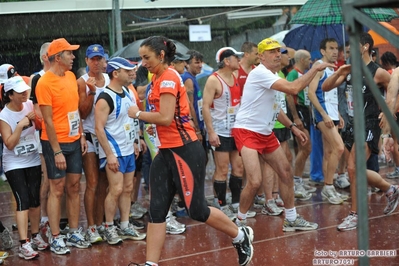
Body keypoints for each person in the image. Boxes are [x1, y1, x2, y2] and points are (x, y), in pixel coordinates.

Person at [128, 36, 254, 266]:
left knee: (196, 210)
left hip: (184, 150)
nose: (142, 62)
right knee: (156, 210)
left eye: (146, 57)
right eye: (141, 58)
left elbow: (165, 118)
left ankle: (240, 235)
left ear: (161, 56)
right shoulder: (156, 78)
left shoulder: (168, 77)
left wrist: (137, 113)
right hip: (166, 152)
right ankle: (150, 264)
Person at [232, 37, 333, 231]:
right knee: (255, 181)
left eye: (279, 51)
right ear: (260, 56)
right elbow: (294, 88)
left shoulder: (274, 73)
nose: (278, 54)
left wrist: (292, 127)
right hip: (246, 130)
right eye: (272, 52)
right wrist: (314, 69)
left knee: (286, 172)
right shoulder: (260, 73)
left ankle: (291, 218)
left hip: (265, 132)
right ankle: (240, 222)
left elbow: (275, 107)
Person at [322, 32, 398, 231]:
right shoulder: (349, 70)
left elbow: (395, 90)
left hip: (370, 124)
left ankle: (355, 215)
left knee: (353, 167)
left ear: (364, 47)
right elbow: (325, 87)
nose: (347, 53)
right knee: (355, 171)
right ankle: (390, 189)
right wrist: (340, 73)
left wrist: (388, 112)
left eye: (351, 48)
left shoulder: (377, 72)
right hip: (351, 125)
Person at [36, 38, 91, 254]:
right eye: (69, 53)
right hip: (54, 143)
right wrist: (57, 150)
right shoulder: (44, 83)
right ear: (58, 57)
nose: (73, 57)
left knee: (75, 186)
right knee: (56, 189)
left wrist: (82, 135)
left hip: (75, 140)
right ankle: (56, 235)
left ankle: (74, 231)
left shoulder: (71, 77)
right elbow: (47, 121)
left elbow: (74, 110)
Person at [95, 57, 146, 245]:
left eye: (133, 70)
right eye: (128, 70)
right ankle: (109, 227)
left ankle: (124, 225)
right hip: (113, 150)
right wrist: (109, 154)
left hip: (127, 148)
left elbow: (129, 119)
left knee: (128, 188)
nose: (133, 73)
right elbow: (99, 128)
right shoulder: (104, 97)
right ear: (115, 73)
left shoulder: (127, 91)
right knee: (115, 189)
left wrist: (135, 140)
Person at [0, 76, 49, 259]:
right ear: (10, 95)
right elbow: (9, 143)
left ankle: (35, 235)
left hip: (32, 158)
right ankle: (24, 243)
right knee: (23, 200)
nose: (24, 94)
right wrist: (20, 125)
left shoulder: (29, 105)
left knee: (35, 200)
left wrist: (36, 119)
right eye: (20, 92)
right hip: (14, 162)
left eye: (25, 91)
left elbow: (40, 124)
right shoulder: (4, 116)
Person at [202, 47, 246, 219]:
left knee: (239, 167)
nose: (239, 60)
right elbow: (205, 106)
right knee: (221, 169)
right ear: (227, 61)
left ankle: (236, 201)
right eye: (236, 57)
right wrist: (211, 132)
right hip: (220, 130)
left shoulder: (234, 77)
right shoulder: (213, 80)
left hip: (236, 129)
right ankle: (220, 202)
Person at [308, 38, 346, 205]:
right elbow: (311, 93)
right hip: (323, 114)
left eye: (336, 48)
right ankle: (329, 187)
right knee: (339, 147)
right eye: (331, 48)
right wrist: (324, 115)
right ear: (322, 51)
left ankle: (328, 188)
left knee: (329, 152)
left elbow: (330, 95)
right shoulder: (319, 67)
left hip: (332, 113)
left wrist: (338, 114)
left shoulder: (332, 69)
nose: (335, 51)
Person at [77, 44, 109, 243]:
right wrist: (90, 92)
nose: (96, 62)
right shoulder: (82, 82)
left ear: (104, 60)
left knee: (105, 184)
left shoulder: (109, 79)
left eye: (99, 58)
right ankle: (90, 226)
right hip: (89, 135)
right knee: (93, 183)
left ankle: (101, 224)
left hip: (107, 135)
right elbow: (82, 113)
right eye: (92, 59)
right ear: (87, 61)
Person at [286, 50, 319, 192]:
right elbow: (288, 94)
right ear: (302, 60)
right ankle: (295, 181)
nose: (310, 62)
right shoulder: (293, 73)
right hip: (298, 110)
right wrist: (295, 117)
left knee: (304, 147)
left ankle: (298, 180)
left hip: (305, 111)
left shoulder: (304, 74)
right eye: (309, 59)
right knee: (306, 146)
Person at [29, 42, 52, 232]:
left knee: (63, 182)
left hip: (64, 135)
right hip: (45, 135)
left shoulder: (65, 76)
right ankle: (43, 216)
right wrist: (50, 125)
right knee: (47, 178)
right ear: (46, 57)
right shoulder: (37, 78)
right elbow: (36, 111)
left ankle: (59, 218)